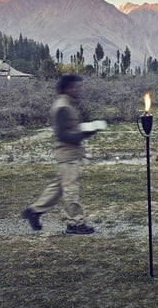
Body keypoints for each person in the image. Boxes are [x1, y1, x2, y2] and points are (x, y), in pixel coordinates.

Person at [21, 74, 100, 235]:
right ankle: (75, 223)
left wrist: (87, 130)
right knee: (71, 190)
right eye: (74, 87)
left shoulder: (66, 104)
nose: (77, 89)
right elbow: (64, 135)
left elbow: (70, 130)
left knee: (57, 188)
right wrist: (86, 132)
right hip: (67, 154)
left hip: (68, 153)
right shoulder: (63, 107)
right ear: (66, 88)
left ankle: (34, 211)